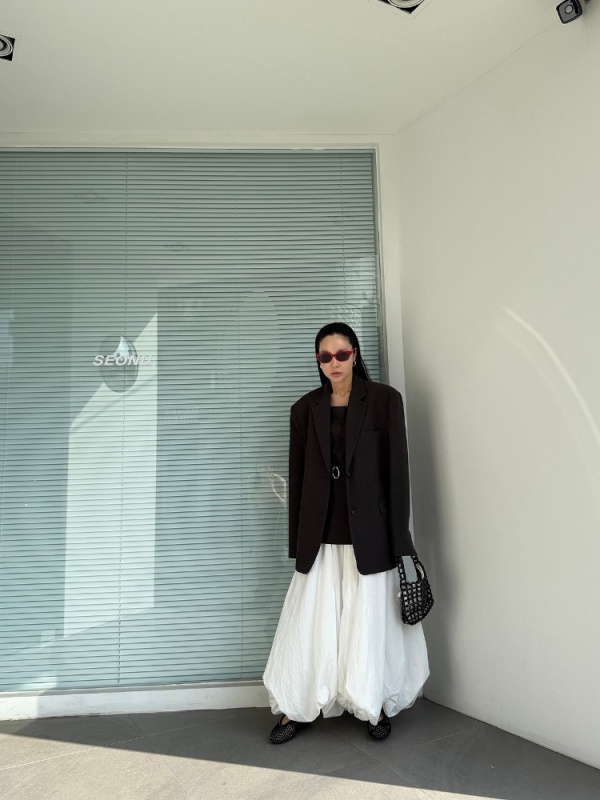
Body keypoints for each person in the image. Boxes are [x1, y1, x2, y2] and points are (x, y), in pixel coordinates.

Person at [262, 322, 430, 743]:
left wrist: (401, 540)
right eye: (325, 356)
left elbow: (397, 475)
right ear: (317, 361)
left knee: (369, 623)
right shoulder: (304, 409)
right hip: (320, 533)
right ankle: (298, 706)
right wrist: (298, 541)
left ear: (355, 354)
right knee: (309, 623)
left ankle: (373, 704)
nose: (334, 363)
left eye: (341, 354)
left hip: (369, 534)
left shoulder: (385, 401)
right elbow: (298, 480)